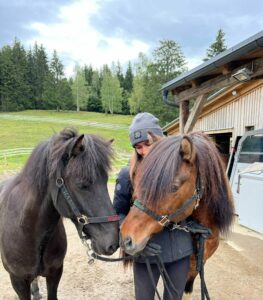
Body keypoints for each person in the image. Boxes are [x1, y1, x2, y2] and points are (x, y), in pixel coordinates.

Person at [113, 112, 193, 300]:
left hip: (179, 251)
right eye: (138, 147)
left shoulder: (180, 170)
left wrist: (197, 229)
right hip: (146, 254)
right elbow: (117, 213)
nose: (143, 151)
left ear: (160, 140)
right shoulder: (127, 174)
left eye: (147, 144)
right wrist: (135, 243)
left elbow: (189, 203)